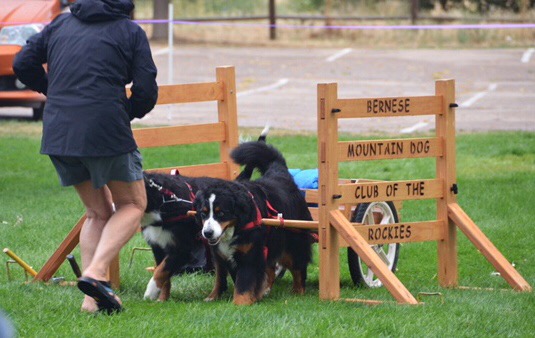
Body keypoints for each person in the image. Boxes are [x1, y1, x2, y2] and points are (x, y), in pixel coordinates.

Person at [13, 0, 158, 314]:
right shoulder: (129, 31)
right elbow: (146, 89)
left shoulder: (60, 24)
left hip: (59, 132)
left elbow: (23, 62)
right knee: (133, 205)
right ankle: (96, 273)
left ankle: (91, 301)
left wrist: (55, 90)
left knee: (97, 212)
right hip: (105, 130)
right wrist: (125, 113)